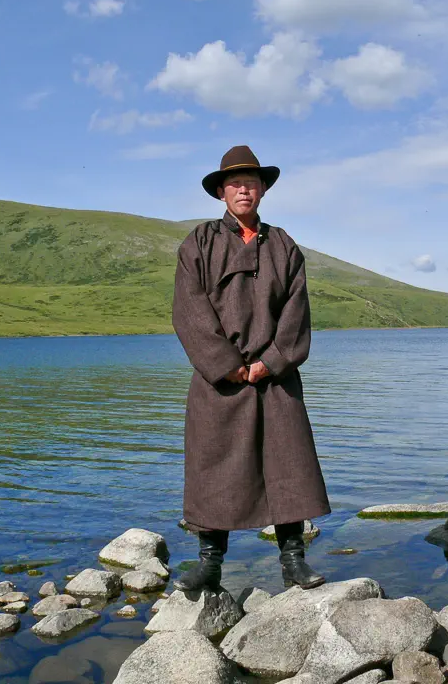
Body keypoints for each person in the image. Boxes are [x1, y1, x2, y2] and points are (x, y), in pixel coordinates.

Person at [171, 145, 331, 592]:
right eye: (235, 182)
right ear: (221, 192)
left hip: (275, 377)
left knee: (287, 465)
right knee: (214, 469)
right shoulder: (198, 243)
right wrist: (229, 366)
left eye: (252, 182)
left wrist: (271, 362)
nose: (244, 189)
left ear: (262, 189)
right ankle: (209, 563)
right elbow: (190, 312)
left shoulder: (283, 245)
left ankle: (293, 559)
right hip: (218, 381)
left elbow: (296, 313)